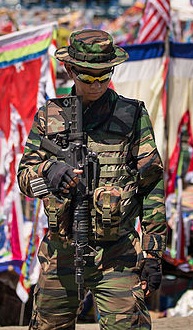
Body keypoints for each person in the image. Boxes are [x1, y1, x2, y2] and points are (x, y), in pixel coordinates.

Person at [17, 29, 167, 330]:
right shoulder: (51, 115)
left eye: (104, 75)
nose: (97, 83)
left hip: (117, 254)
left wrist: (153, 253)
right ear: (70, 69)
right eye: (88, 76)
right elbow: (24, 178)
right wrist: (48, 172)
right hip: (61, 250)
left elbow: (151, 185)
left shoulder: (132, 114)